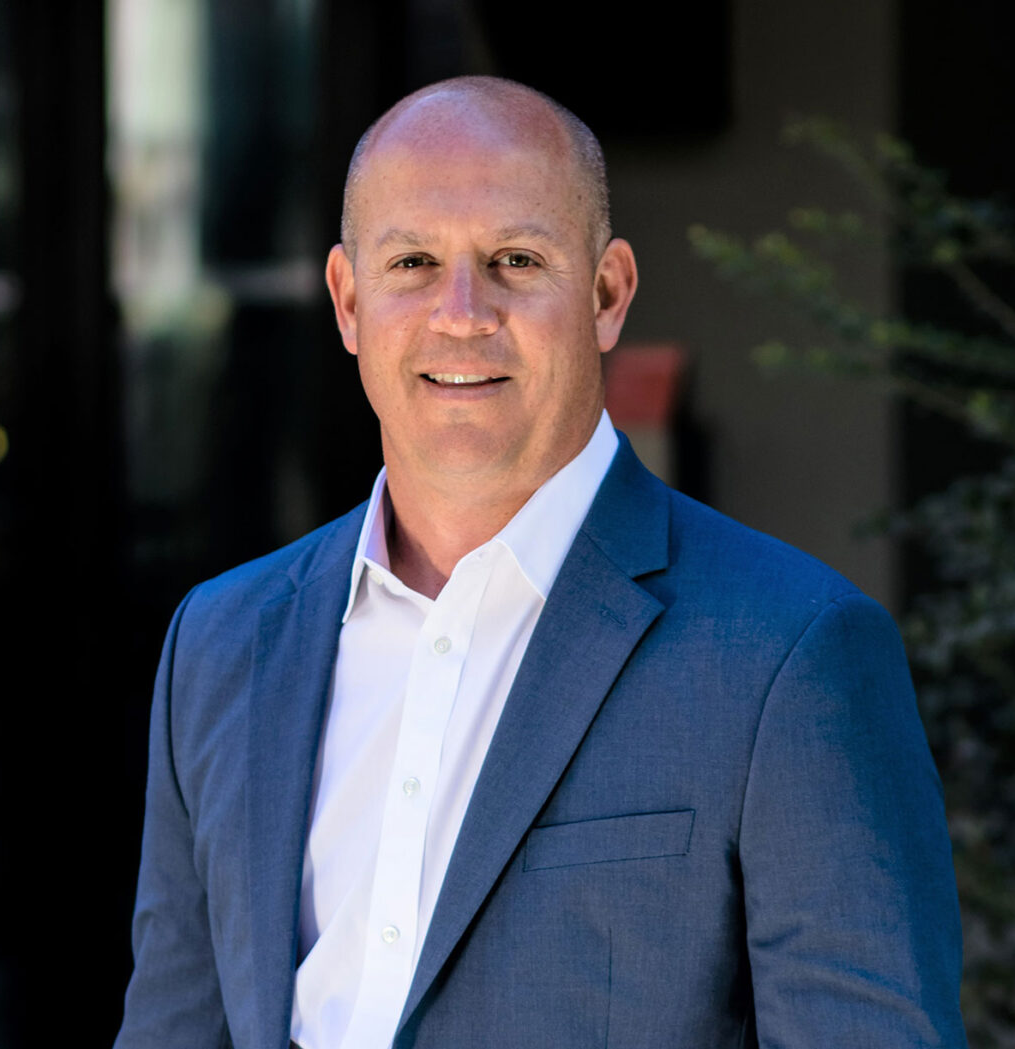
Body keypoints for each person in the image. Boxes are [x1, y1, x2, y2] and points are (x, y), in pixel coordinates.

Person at [115, 76, 967, 1049]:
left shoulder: (790, 653)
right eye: (414, 263)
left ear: (607, 294)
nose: (463, 312)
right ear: (349, 303)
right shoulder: (220, 643)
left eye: (516, 259)